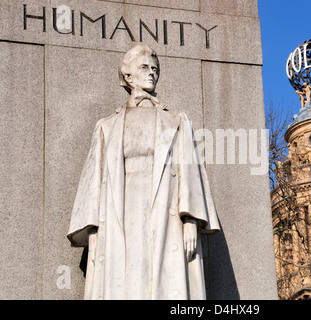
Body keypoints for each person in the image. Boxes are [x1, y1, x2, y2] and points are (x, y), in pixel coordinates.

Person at [67, 44, 220, 300]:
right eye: (144, 68)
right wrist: (93, 231)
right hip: (120, 213)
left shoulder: (178, 121)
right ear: (128, 76)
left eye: (155, 69)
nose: (152, 74)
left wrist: (191, 220)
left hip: (164, 211)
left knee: (165, 283)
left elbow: (189, 173)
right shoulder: (106, 126)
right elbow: (94, 181)